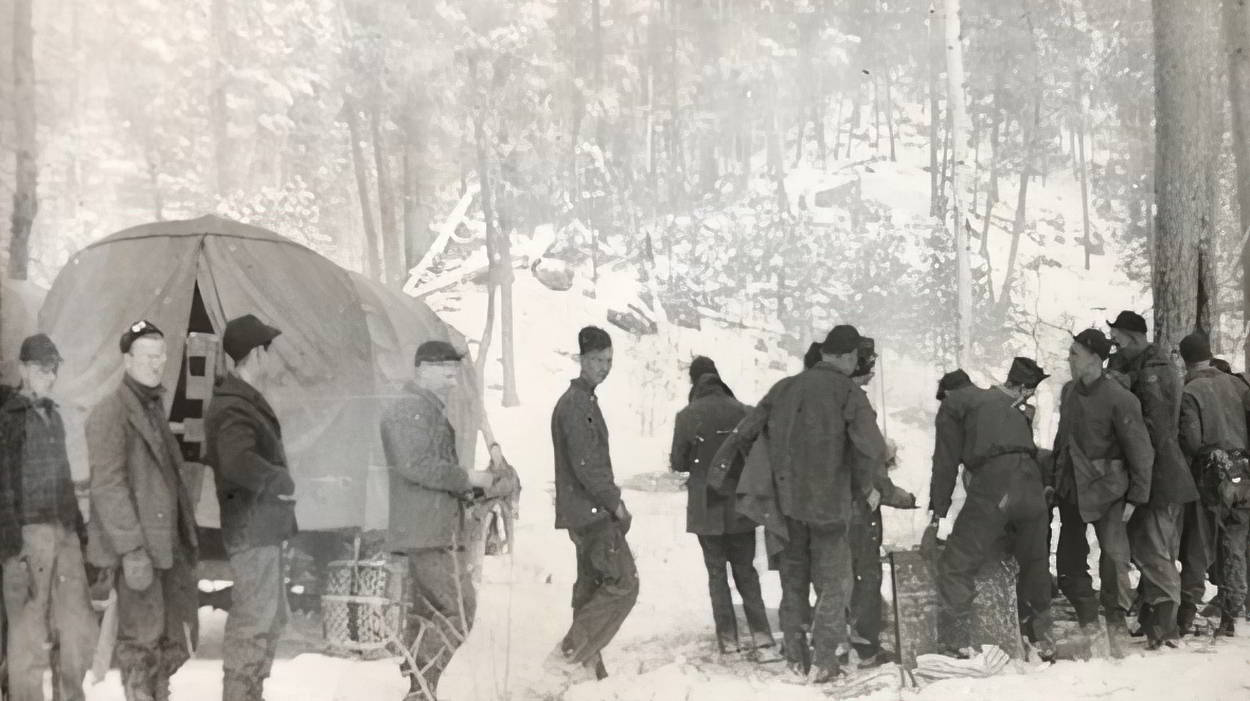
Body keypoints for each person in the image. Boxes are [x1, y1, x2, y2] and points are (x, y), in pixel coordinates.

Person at [710, 325, 883, 682]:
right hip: (831, 508)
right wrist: (862, 486)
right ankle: (823, 661)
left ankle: (795, 656)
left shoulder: (785, 387)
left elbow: (746, 432)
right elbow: (871, 449)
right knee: (834, 583)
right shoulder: (849, 392)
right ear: (850, 356)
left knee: (793, 580)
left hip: (787, 506)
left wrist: (767, 475)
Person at [380, 340, 507, 700]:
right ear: (420, 369)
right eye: (444, 368)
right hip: (427, 532)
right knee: (458, 610)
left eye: (454, 369)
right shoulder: (409, 410)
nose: (453, 376)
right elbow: (416, 466)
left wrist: (475, 490)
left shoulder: (426, 409)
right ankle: (420, 686)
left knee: (431, 613)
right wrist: (469, 478)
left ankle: (421, 688)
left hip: (434, 529)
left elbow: (432, 469)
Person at [86, 320, 199, 701]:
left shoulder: (151, 407)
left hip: (163, 552)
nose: (157, 364)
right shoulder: (111, 413)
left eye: (162, 356)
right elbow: (108, 487)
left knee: (167, 643)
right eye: (149, 356)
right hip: (139, 554)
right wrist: (132, 549)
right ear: (128, 360)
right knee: (140, 647)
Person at [929, 357, 1053, 658]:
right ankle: (1040, 638)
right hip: (1032, 486)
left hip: (998, 486)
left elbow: (945, 462)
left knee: (956, 562)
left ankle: (957, 642)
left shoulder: (955, 403)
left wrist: (938, 512)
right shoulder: (1010, 407)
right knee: (1034, 562)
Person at [0, 334, 98, 701]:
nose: (50, 377)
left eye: (54, 369)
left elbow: (65, 485)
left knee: (77, 631)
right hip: (26, 540)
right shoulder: (8, 419)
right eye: (42, 369)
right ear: (23, 369)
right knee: (27, 642)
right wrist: (12, 551)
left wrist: (81, 537)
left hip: (64, 537)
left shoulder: (53, 417)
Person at [204, 315, 297, 700]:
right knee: (252, 625)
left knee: (267, 623)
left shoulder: (242, 401)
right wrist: (278, 480)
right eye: (269, 350)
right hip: (251, 533)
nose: (273, 359)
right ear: (255, 354)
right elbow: (236, 461)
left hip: (261, 532)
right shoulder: (234, 406)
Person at [1047, 329, 1153, 654]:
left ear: (1095, 359)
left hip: (1108, 492)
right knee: (1068, 561)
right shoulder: (1068, 393)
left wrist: (1137, 496)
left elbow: (1140, 451)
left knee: (1114, 561)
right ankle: (1089, 620)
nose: (1069, 359)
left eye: (1074, 354)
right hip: (1071, 490)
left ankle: (1116, 624)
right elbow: (1061, 440)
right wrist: (1053, 479)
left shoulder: (1120, 398)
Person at [547, 327, 639, 683]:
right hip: (593, 512)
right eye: (598, 360)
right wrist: (615, 504)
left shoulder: (581, 401)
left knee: (591, 585)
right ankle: (570, 653)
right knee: (623, 583)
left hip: (583, 512)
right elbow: (588, 465)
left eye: (609, 361)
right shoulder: (577, 404)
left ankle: (589, 663)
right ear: (582, 360)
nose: (604, 367)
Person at [1106, 311, 1198, 648]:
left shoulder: (1152, 372)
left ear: (1130, 337)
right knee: (1148, 548)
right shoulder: (1147, 366)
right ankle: (1154, 622)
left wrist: (1120, 388)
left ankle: (1165, 628)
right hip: (1153, 473)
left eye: (1117, 339)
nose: (1114, 347)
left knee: (1154, 549)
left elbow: (1153, 428)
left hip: (1158, 474)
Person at [671, 367, 773, 656]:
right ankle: (762, 635)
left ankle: (728, 638)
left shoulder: (687, 415)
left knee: (716, 574)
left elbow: (678, 461)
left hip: (707, 507)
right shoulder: (744, 411)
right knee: (746, 571)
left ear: (695, 382)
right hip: (740, 504)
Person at [847, 340, 916, 667]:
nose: (873, 373)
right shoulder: (856, 402)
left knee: (839, 572)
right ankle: (866, 646)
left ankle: (842, 639)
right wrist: (899, 497)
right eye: (869, 365)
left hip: (832, 503)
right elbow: (870, 464)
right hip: (859, 507)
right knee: (867, 573)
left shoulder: (832, 396)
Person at [1177, 332, 1250, 636]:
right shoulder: (1238, 384)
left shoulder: (1192, 390)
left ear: (1185, 360)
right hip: (1244, 470)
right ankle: (1232, 613)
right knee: (1235, 540)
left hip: (1211, 473)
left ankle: (1185, 613)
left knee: (1201, 543)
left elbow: (1192, 441)